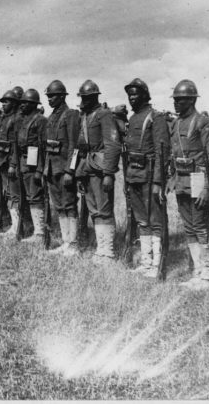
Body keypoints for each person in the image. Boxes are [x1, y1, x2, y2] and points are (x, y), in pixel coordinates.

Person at [169, 80, 209, 290]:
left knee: (200, 224)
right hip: (181, 178)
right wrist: (171, 179)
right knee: (188, 226)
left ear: (191, 100)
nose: (176, 103)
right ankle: (198, 270)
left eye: (180, 100)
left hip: (198, 177)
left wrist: (208, 187)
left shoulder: (203, 123)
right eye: (175, 100)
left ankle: (208, 273)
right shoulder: (175, 123)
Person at [122, 79, 170, 276]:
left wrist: (158, 182)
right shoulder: (133, 119)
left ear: (144, 95)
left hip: (150, 176)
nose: (132, 98)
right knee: (142, 219)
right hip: (134, 175)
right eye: (130, 95)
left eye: (135, 94)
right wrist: (126, 180)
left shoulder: (155, 118)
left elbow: (161, 152)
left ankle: (157, 264)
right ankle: (146, 261)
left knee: (155, 220)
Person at [74, 80, 122, 261]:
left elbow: (112, 145)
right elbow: (79, 147)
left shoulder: (104, 115)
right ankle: (100, 249)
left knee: (104, 209)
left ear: (95, 97)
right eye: (82, 98)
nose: (84, 101)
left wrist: (109, 174)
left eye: (87, 97)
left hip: (100, 170)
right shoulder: (85, 117)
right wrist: (77, 172)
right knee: (94, 209)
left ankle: (107, 251)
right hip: (86, 168)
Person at [43, 80, 81, 255]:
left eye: (52, 96)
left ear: (61, 96)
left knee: (69, 204)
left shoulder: (70, 114)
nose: (49, 99)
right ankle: (66, 241)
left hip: (64, 169)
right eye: (48, 96)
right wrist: (45, 168)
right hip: (52, 168)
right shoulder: (51, 117)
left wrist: (70, 171)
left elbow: (74, 146)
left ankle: (73, 243)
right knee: (59, 205)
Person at [11, 88, 47, 243]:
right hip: (22, 162)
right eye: (22, 103)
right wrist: (14, 164)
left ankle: (39, 234)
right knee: (25, 197)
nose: (22, 105)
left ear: (33, 104)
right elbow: (16, 146)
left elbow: (43, 147)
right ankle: (28, 228)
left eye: (26, 103)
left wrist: (40, 170)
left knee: (35, 197)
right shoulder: (22, 121)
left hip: (34, 164)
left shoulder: (40, 121)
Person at [0, 89, 22, 236]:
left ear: (14, 103)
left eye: (6, 101)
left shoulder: (17, 119)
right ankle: (13, 225)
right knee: (9, 194)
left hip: (12, 163)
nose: (4, 104)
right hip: (3, 162)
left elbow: (16, 145)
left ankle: (17, 227)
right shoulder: (4, 119)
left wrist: (13, 164)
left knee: (14, 195)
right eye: (3, 102)